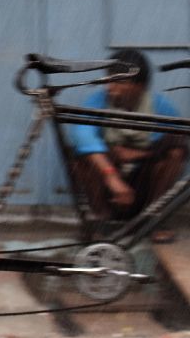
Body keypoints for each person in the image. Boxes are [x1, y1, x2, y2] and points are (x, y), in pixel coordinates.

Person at [69, 48, 187, 240]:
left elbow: (177, 140)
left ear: (139, 86)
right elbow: (83, 137)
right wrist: (112, 177)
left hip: (143, 183)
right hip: (108, 185)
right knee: (80, 159)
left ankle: (152, 220)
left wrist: (138, 154)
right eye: (108, 78)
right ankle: (101, 222)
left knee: (176, 151)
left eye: (118, 81)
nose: (109, 86)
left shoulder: (160, 106)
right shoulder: (97, 101)